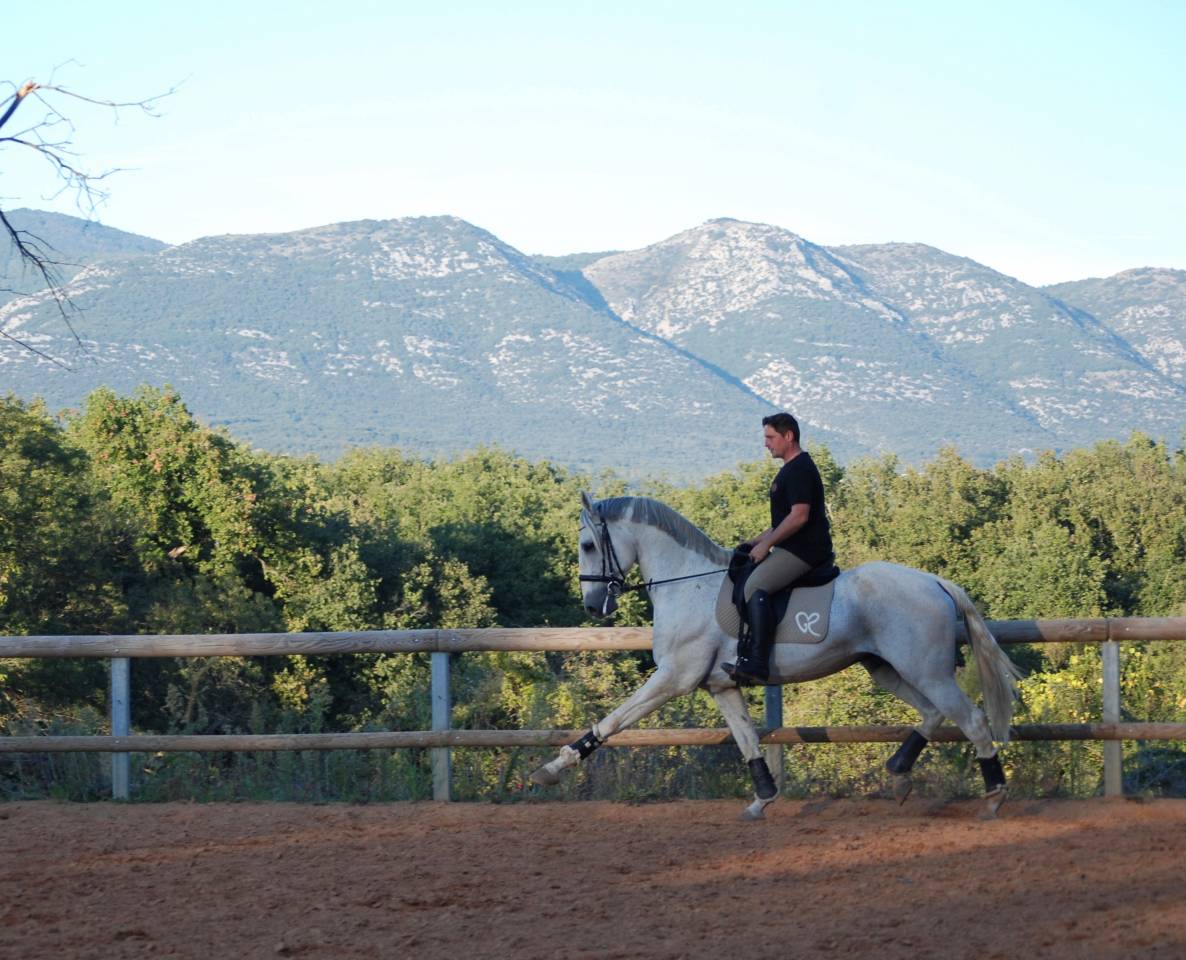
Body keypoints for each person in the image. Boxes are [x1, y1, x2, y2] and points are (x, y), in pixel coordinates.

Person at [723, 412, 834, 685]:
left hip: (805, 551)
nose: (766, 444)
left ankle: (758, 663)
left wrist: (767, 546)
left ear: (789, 436)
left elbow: (799, 516)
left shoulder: (799, 469)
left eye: (770, 437)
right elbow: (779, 523)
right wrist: (754, 542)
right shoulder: (789, 470)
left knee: (753, 586)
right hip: (791, 547)